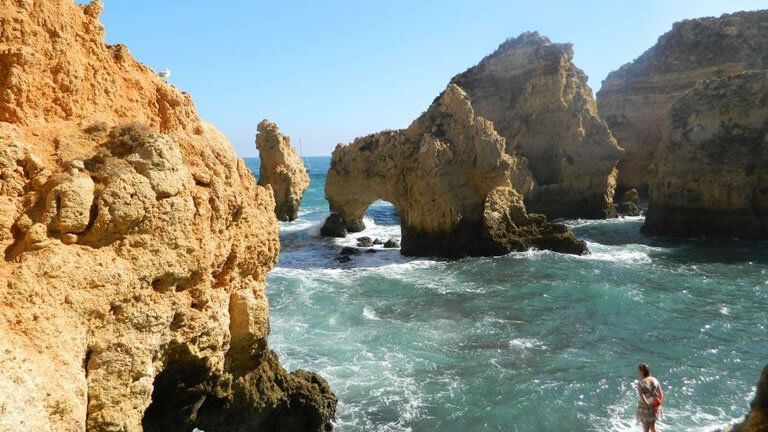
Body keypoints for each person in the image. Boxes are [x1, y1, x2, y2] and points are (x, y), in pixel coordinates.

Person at [636, 363, 663, 432]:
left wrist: (648, 405)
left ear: (641, 371)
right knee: (652, 427)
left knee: (646, 429)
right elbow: (660, 395)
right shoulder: (655, 380)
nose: (637, 371)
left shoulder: (641, 383)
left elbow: (642, 396)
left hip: (644, 408)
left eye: (638, 369)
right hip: (655, 406)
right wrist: (656, 407)